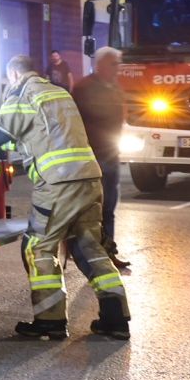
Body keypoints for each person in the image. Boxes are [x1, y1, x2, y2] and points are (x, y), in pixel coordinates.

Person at [0, 54, 129, 340]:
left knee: (38, 247)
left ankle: (49, 321)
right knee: (91, 248)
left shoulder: (22, 96)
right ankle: (116, 320)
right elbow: (41, 133)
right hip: (89, 178)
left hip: (59, 185)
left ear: (13, 75)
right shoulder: (58, 92)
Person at [71, 47, 132, 273]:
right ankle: (89, 255)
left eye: (118, 63)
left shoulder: (114, 86)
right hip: (92, 158)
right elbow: (75, 122)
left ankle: (108, 253)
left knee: (109, 209)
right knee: (91, 211)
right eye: (114, 63)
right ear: (100, 65)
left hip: (110, 156)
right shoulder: (84, 88)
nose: (118, 68)